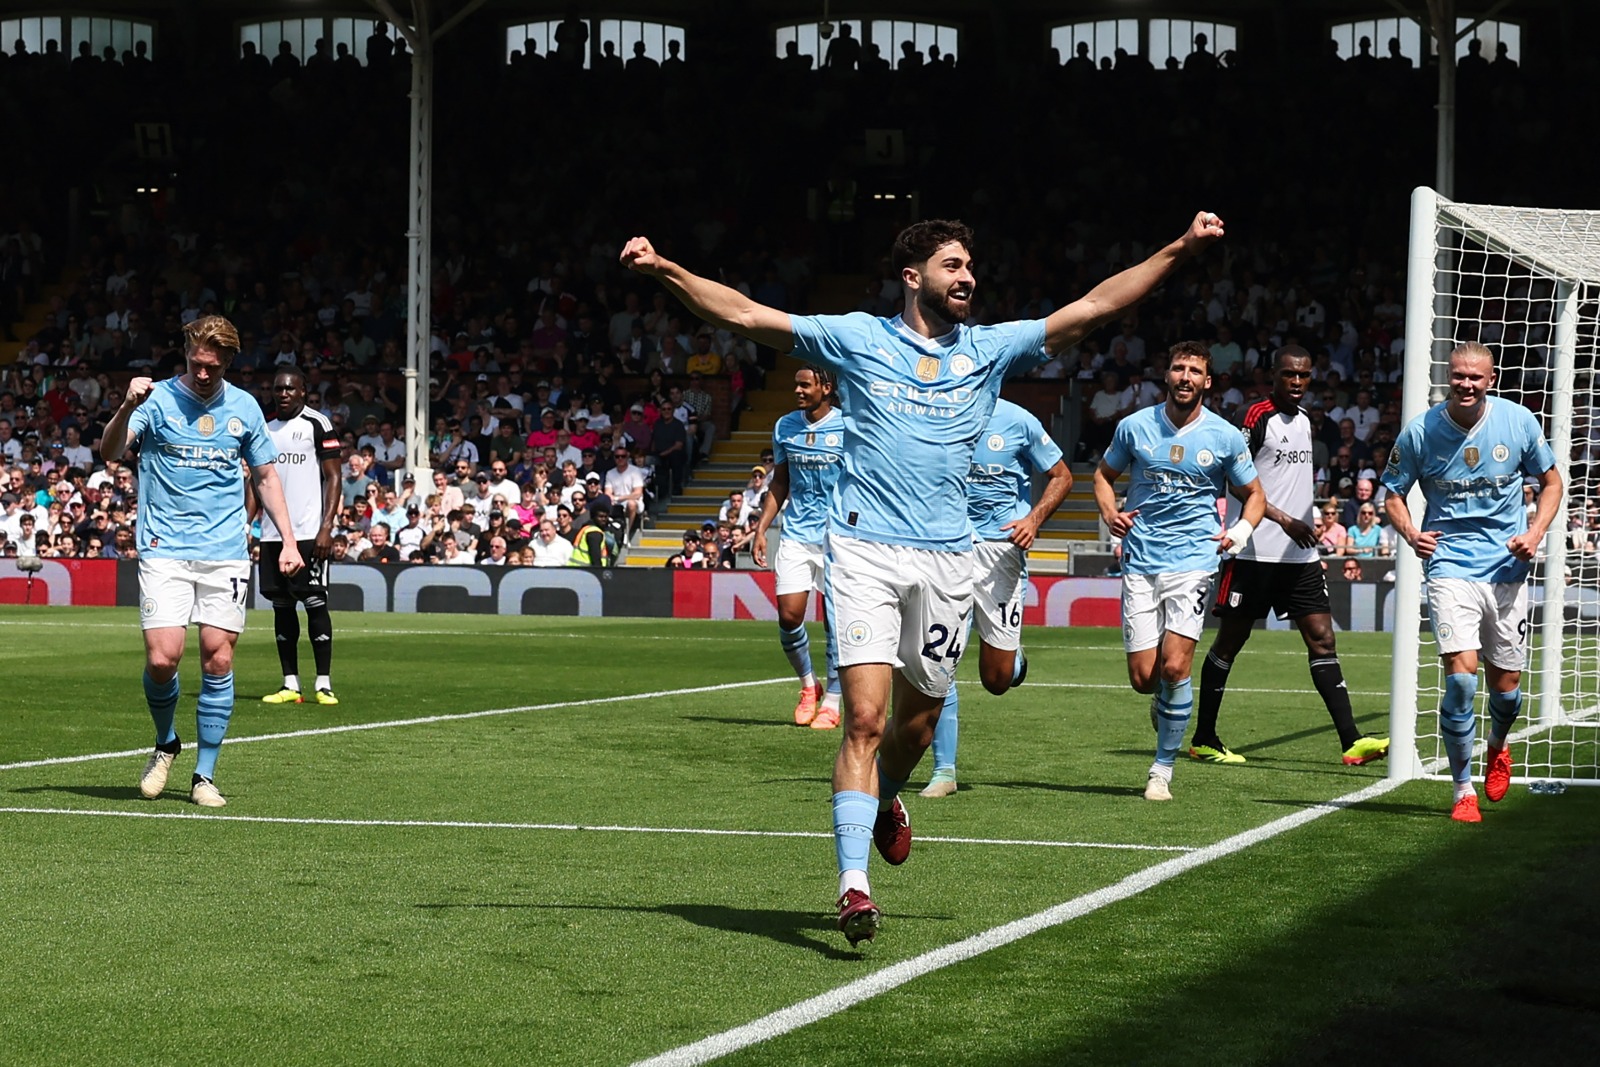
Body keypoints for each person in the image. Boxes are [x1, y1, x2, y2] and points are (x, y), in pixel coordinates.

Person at [624, 209, 1225, 946]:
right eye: (951, 265)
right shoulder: (857, 338)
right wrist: (665, 270)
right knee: (866, 719)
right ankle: (852, 886)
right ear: (913, 277)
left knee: (918, 723)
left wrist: (1181, 248)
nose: (967, 275)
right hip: (865, 552)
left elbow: (1096, 306)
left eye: (970, 264)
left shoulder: (989, 348)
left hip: (951, 559)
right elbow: (747, 312)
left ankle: (884, 802)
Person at [100, 315, 304, 808]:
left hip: (226, 553)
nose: (204, 372)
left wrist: (290, 540)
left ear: (230, 361)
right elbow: (110, 451)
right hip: (164, 548)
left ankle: (203, 775)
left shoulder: (245, 408)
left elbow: (266, 477)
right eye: (196, 362)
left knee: (218, 657)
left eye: (213, 365)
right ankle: (166, 741)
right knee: (162, 658)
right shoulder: (155, 399)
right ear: (186, 354)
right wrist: (126, 406)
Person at [1382, 341, 1563, 823]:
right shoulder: (1420, 432)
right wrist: (1412, 533)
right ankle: (1463, 790)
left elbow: (1552, 482)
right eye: (1458, 375)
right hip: (1449, 566)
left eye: (1474, 377)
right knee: (1460, 682)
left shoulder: (1518, 421)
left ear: (1491, 380)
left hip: (1507, 568)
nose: (1465, 383)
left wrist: (1535, 532)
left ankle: (1497, 747)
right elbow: (1393, 495)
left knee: (1507, 690)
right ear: (1448, 375)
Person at [1194, 346, 1389, 769]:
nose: (1297, 383)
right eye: (1289, 375)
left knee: (1322, 637)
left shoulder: (1304, 422)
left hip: (1298, 556)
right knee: (1231, 641)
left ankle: (1351, 740)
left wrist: (1307, 520)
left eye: (1304, 376)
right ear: (1274, 376)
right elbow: (1234, 481)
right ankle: (1204, 737)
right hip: (1253, 552)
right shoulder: (1255, 417)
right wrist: (1283, 520)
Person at [1093, 340, 1265, 802]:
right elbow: (1103, 476)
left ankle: (1161, 769)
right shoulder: (1134, 427)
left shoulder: (1225, 436)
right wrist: (1111, 513)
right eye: (1178, 368)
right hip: (1141, 560)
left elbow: (1255, 495)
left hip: (1193, 561)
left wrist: (1240, 533)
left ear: (1208, 381)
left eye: (1194, 371)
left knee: (1175, 665)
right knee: (1144, 678)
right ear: (1165, 375)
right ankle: (1163, 702)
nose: (1185, 376)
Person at [922, 398, 1073, 798]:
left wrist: (1032, 519)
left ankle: (1014, 660)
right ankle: (944, 771)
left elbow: (1061, 476)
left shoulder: (1019, 420)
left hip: (1000, 554)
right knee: (940, 660)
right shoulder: (937, 413)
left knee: (996, 680)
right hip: (947, 550)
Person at [752, 366, 846, 730]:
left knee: (836, 624)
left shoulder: (848, 427)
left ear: (826, 387)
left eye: (805, 384)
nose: (798, 390)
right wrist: (762, 528)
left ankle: (834, 703)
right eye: (796, 383)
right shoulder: (785, 426)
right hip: (796, 533)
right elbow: (781, 481)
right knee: (789, 616)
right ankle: (809, 687)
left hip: (838, 537)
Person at [254, 367, 344, 706]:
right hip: (272, 533)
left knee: (315, 601)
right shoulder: (264, 428)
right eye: (278, 388)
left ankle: (323, 683)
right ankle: (290, 683)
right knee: (281, 605)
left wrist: (326, 527)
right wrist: (248, 525)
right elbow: (256, 480)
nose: (283, 394)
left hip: (308, 530)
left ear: (304, 391)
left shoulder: (317, 424)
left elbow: (333, 477)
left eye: (290, 388)